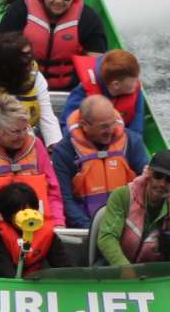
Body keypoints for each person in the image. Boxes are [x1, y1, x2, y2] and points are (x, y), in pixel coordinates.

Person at [0, 0, 107, 89]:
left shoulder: (87, 18)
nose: (58, 1)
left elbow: (97, 63)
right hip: (23, 87)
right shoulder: (21, 8)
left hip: (69, 91)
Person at [0, 95, 65, 227]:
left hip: (37, 222)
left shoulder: (36, 145)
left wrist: (58, 222)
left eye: (25, 129)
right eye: (16, 131)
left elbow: (52, 190)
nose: (22, 136)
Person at [51, 94, 149, 229]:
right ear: (84, 125)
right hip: (86, 227)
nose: (110, 130)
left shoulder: (132, 142)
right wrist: (91, 228)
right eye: (104, 127)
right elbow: (65, 199)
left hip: (127, 224)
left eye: (113, 123)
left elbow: (147, 184)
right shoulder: (63, 152)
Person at [96, 150, 170, 266]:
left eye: (169, 179)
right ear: (149, 173)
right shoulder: (121, 196)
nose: (162, 183)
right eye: (158, 175)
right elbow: (107, 238)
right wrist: (127, 270)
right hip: (115, 271)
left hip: (152, 276)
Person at [0, 31, 62, 149]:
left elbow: (47, 116)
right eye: (23, 61)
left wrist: (57, 148)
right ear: (6, 66)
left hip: (23, 138)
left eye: (30, 57)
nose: (30, 64)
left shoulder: (35, 75)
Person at [0, 181, 69, 279]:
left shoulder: (46, 234)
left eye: (31, 210)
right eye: (21, 212)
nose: (29, 217)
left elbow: (65, 269)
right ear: (7, 214)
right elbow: (4, 273)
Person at [60, 48, 146, 138]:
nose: (138, 82)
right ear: (116, 85)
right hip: (89, 143)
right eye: (134, 80)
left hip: (120, 143)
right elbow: (67, 126)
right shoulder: (82, 92)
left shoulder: (135, 91)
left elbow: (136, 131)